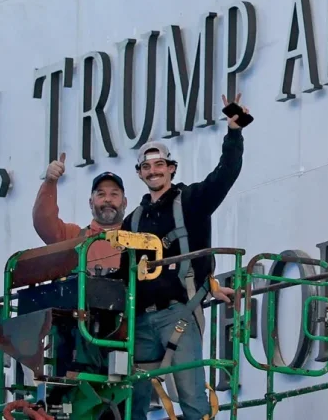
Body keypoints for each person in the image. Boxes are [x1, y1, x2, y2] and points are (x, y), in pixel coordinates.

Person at [111, 93, 249, 420]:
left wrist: (234, 129)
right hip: (142, 319)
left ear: (171, 168)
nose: (153, 171)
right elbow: (124, 273)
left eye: (159, 164)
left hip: (180, 313)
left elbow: (225, 174)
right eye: (146, 166)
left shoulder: (191, 200)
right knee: (131, 395)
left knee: (191, 395)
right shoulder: (133, 220)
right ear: (140, 174)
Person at [32, 152, 128, 273]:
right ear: (90, 203)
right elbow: (43, 222)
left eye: (114, 194)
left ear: (125, 203)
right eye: (101, 194)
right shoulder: (73, 236)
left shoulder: (138, 240)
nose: (107, 199)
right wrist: (50, 182)